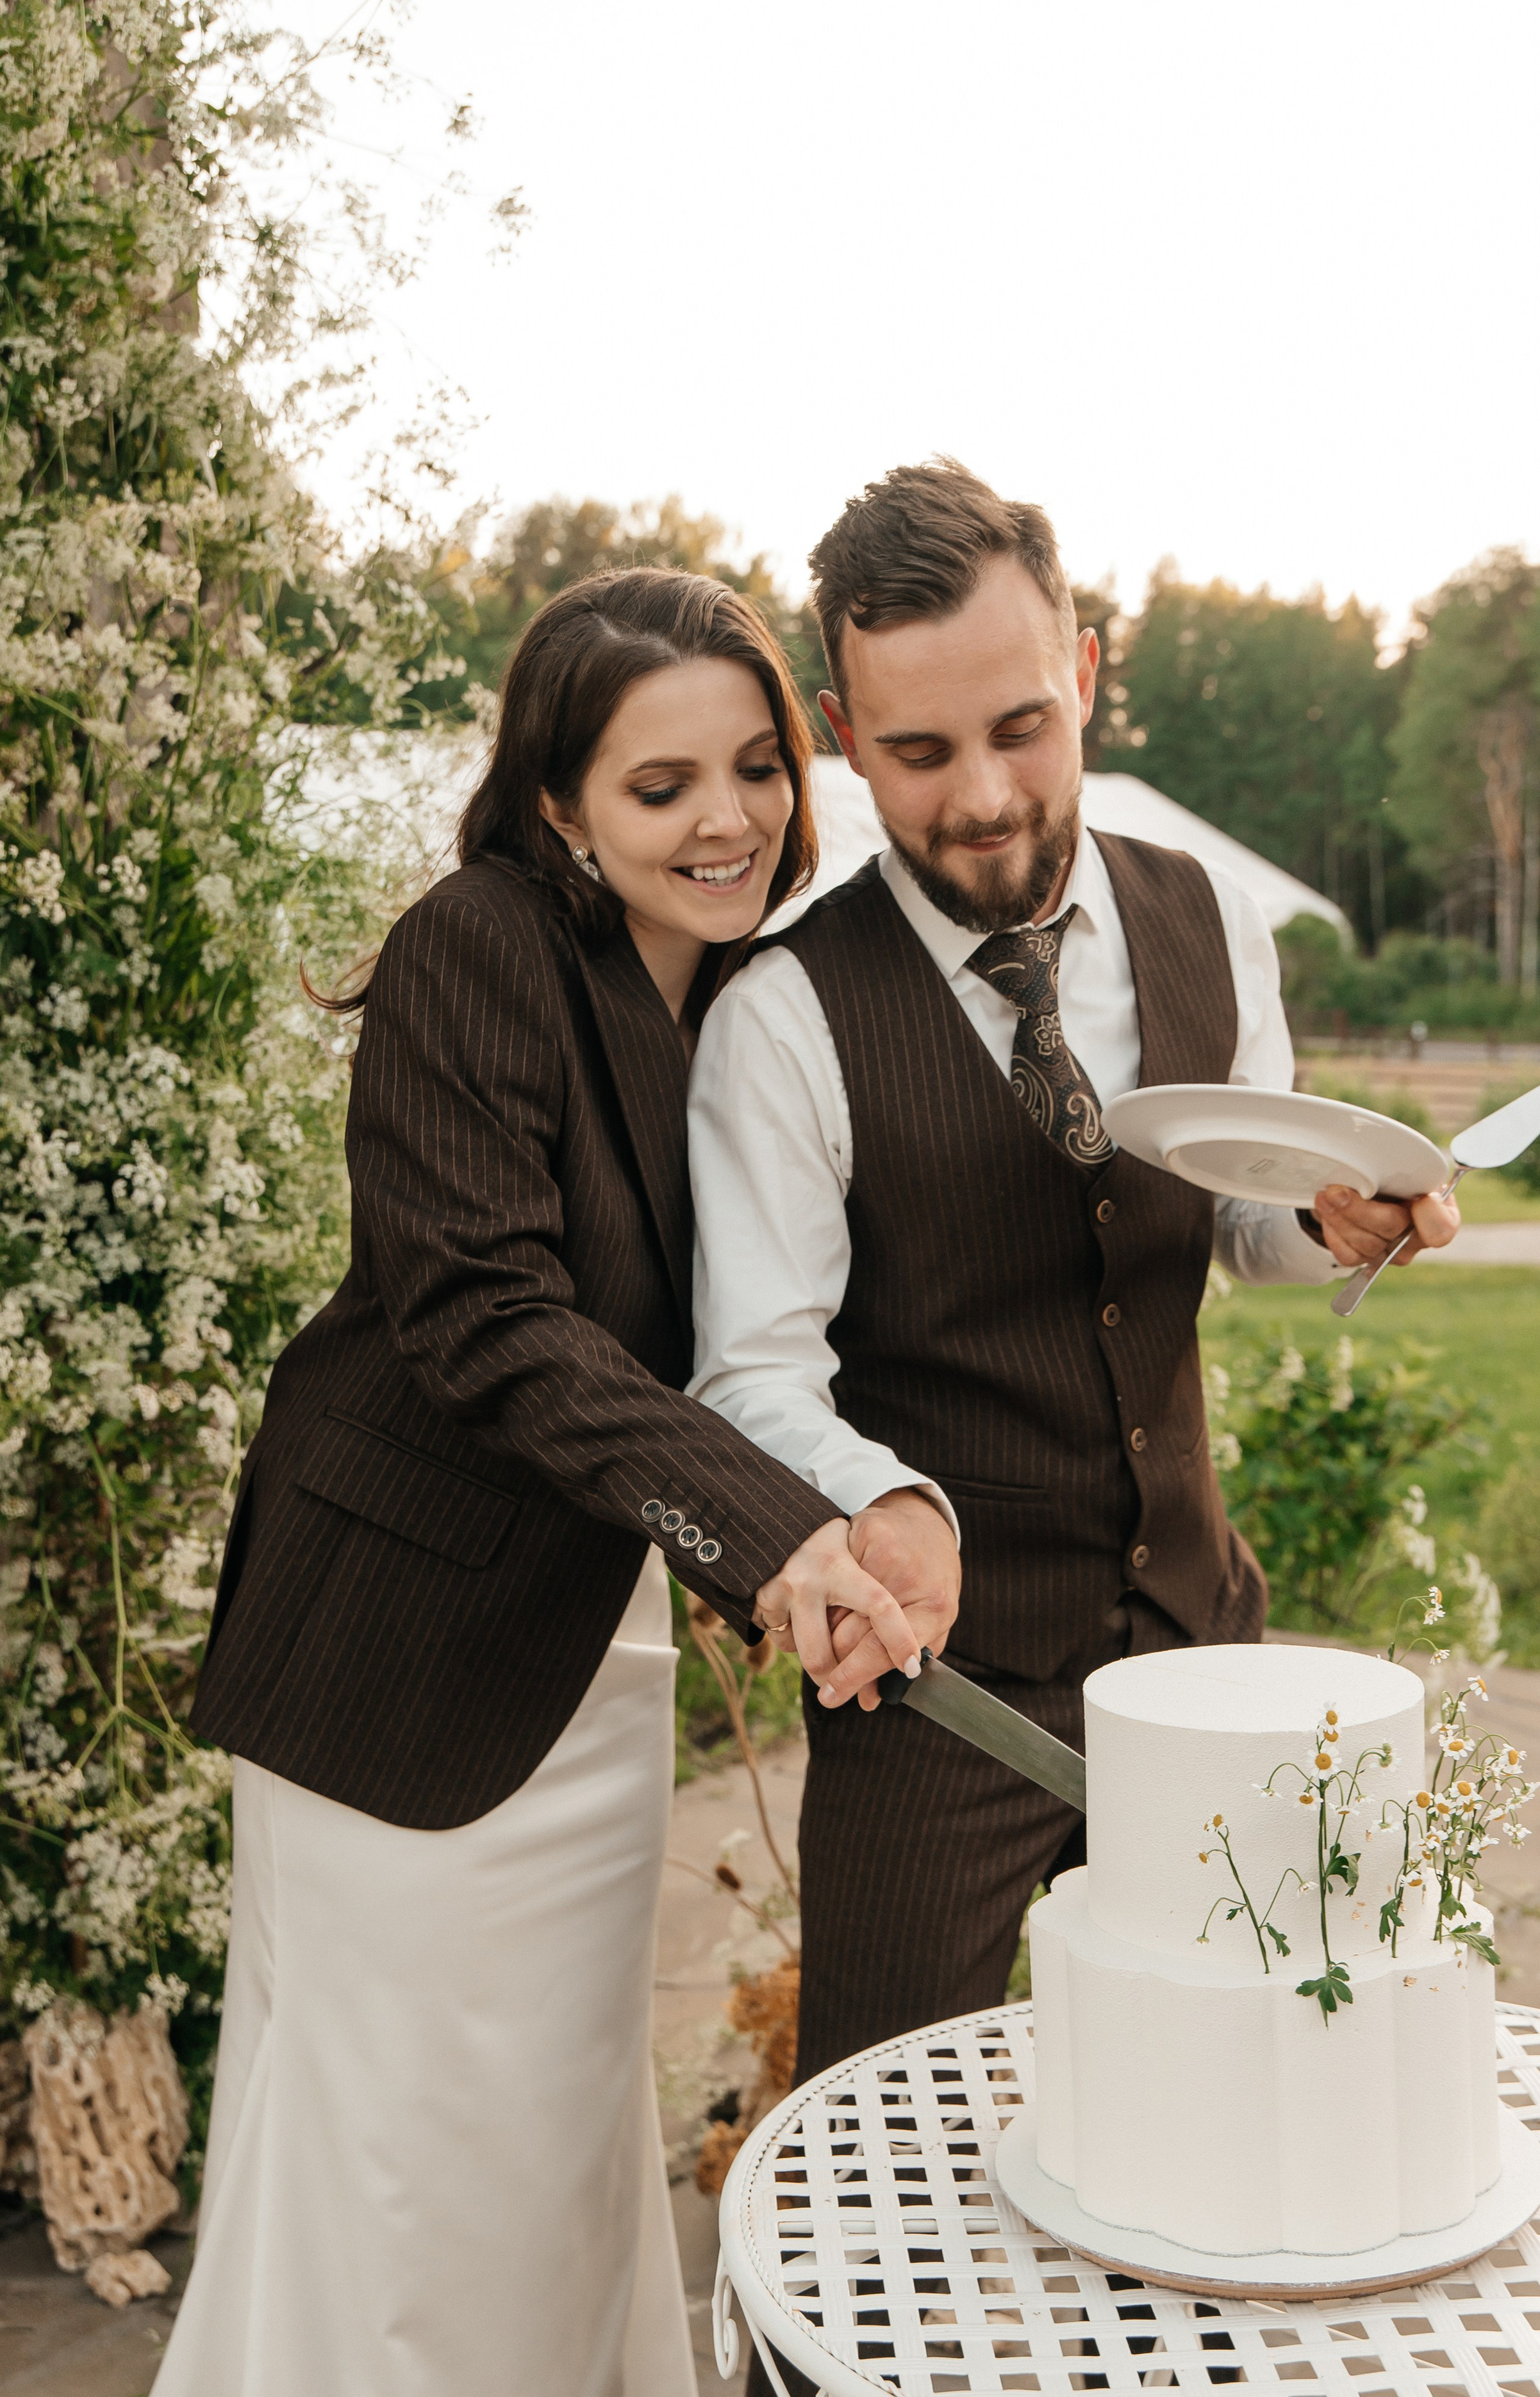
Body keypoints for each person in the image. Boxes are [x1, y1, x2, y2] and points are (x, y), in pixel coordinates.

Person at [156, 569, 929, 2397]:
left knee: (546, 2148)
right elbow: (488, 1322)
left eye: (754, 766)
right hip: (395, 1661)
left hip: (586, 1661)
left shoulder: (761, 993)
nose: (727, 818)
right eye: (662, 789)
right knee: (398, 2169)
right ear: (560, 802)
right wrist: (769, 1537)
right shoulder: (478, 948)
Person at [688, 458, 1461, 2153]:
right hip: (936, 1701)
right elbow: (747, 1375)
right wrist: (885, 1502)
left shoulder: (1207, 920)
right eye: (916, 750)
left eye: (1022, 728)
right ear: (839, 724)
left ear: (1088, 672)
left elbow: (1245, 1224)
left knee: (1260, 2131)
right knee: (885, 2174)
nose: (980, 794)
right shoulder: (784, 1021)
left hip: (1195, 1639)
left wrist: (1347, 1219)